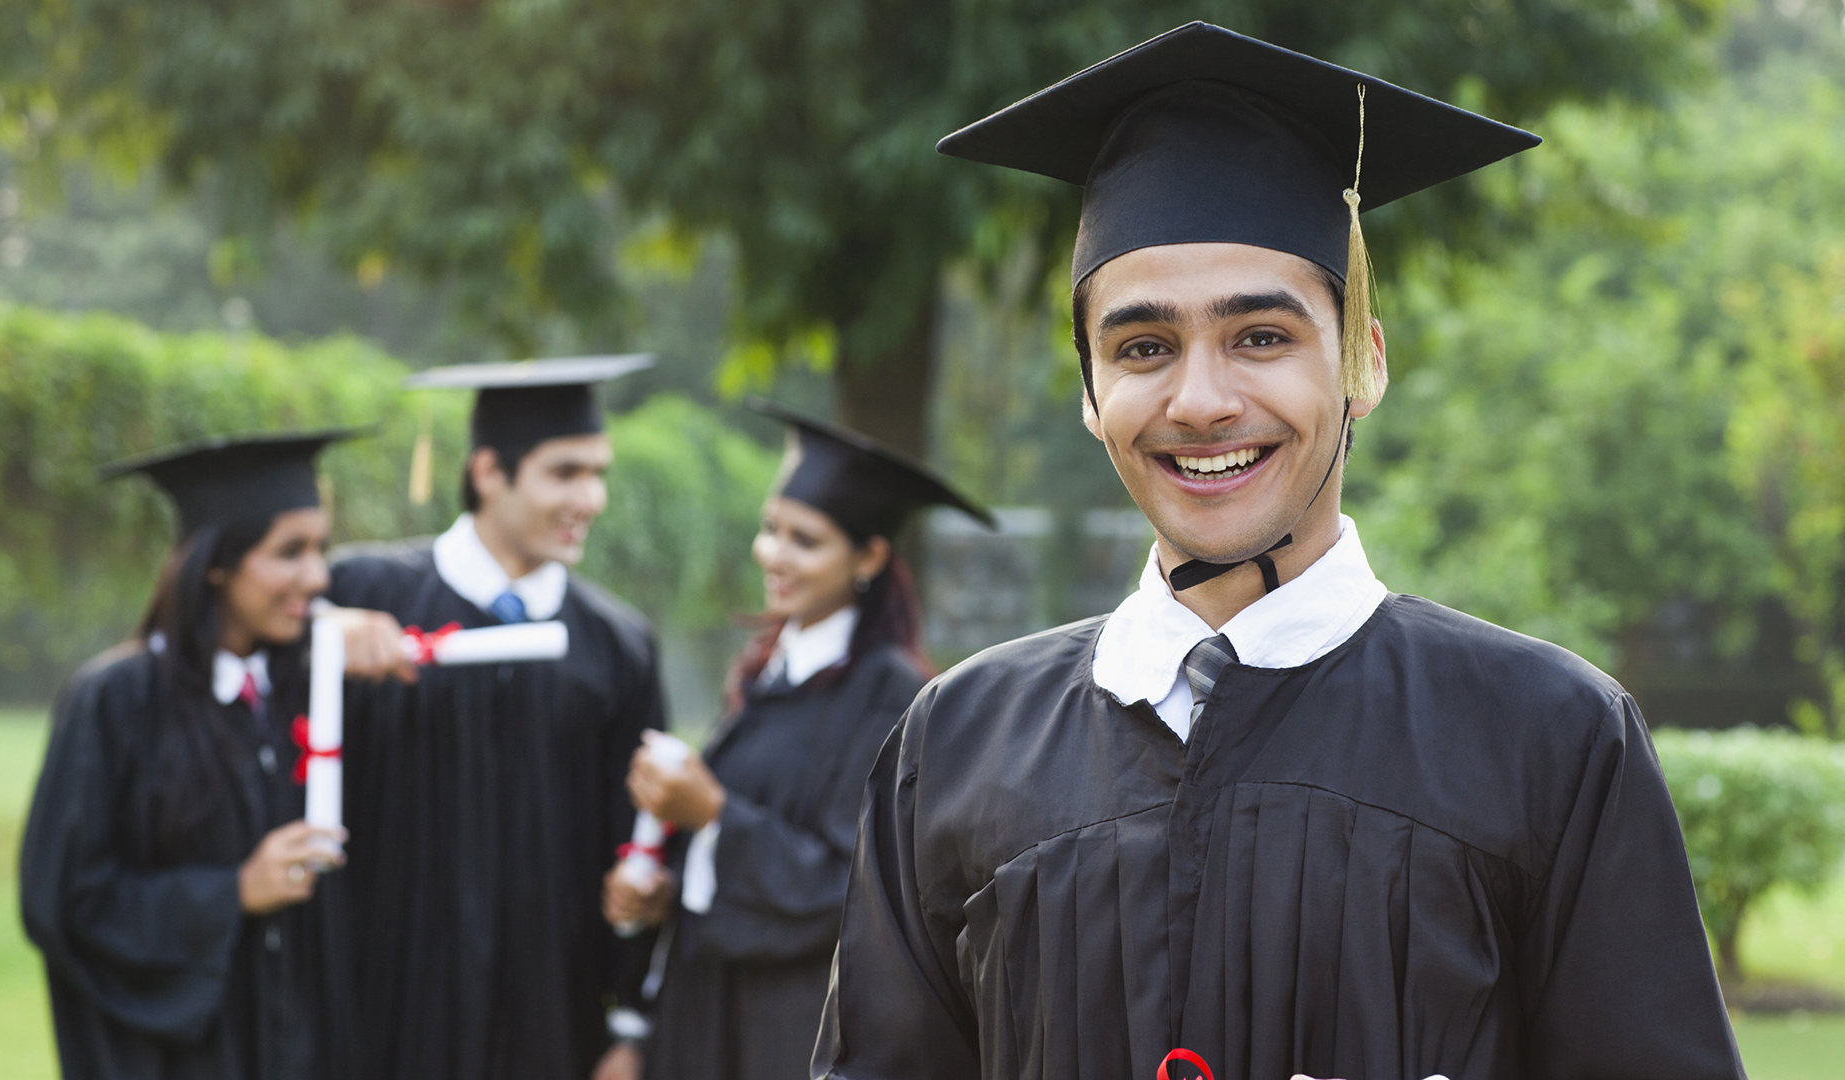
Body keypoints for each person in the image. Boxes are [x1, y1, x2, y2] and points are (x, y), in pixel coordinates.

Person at [815, 23, 1742, 1080]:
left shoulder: (1550, 740)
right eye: (1143, 347)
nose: (1202, 401)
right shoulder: (957, 749)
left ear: (1362, 364)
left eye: (1261, 336)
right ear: (1089, 392)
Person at [601, 398, 994, 1080]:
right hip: (703, 1016)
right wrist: (670, 891)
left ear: (869, 555)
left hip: (792, 1031)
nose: (772, 555)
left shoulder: (889, 694)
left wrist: (713, 815)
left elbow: (845, 888)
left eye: (804, 540)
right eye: (770, 529)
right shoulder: (768, 669)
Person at [22, 431, 415, 1080]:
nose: (317, 576)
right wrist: (230, 893)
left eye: (320, 548)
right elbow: (64, 900)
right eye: (289, 552)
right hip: (189, 1054)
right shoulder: (116, 701)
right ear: (215, 564)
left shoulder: (311, 689)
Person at [326, 355, 666, 1080]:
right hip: (384, 1009)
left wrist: (631, 1029)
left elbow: (635, 848)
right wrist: (317, 638)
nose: (593, 497)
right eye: (566, 472)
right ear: (489, 472)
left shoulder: (618, 646)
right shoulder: (359, 599)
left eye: (599, 472)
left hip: (551, 1015)